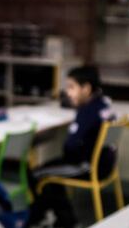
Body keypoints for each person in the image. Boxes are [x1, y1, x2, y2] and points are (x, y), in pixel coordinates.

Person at [30, 65, 116, 195]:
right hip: (106, 165)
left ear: (86, 89)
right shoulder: (103, 104)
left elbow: (70, 147)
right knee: (52, 170)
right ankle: (57, 214)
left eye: (71, 87)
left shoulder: (87, 112)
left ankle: (53, 215)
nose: (68, 93)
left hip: (88, 167)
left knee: (37, 174)